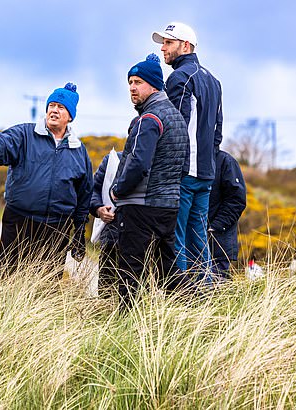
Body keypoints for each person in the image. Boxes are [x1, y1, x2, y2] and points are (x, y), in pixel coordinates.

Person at [0, 83, 93, 279]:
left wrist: (78, 231)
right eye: (51, 105)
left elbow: (84, 193)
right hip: (19, 221)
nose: (54, 110)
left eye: (61, 107)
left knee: (46, 284)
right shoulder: (25, 134)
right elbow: (1, 150)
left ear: (70, 116)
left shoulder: (78, 150)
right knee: (8, 278)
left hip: (56, 227)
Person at [110, 54, 189, 308]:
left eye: (138, 82)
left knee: (130, 271)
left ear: (154, 85)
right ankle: (178, 318)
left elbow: (138, 163)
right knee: (167, 272)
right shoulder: (176, 117)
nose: (132, 88)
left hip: (141, 205)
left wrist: (117, 190)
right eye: (130, 82)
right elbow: (185, 165)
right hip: (169, 205)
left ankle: (124, 324)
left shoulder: (149, 119)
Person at [152, 22, 224, 278]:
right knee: (198, 238)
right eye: (163, 43)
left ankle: (182, 296)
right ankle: (204, 292)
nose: (163, 48)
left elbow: (174, 128)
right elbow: (217, 134)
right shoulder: (214, 81)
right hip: (204, 173)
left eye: (168, 43)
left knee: (177, 237)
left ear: (186, 45)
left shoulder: (180, 77)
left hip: (183, 172)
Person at [208, 148, 246, 279]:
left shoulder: (225, 161)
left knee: (216, 288)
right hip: (195, 243)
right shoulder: (190, 161)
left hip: (219, 242)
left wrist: (216, 226)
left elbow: (237, 201)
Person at [90, 151, 122, 297]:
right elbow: (93, 190)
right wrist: (98, 208)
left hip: (142, 239)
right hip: (111, 237)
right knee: (106, 291)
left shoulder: (158, 161)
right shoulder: (112, 160)